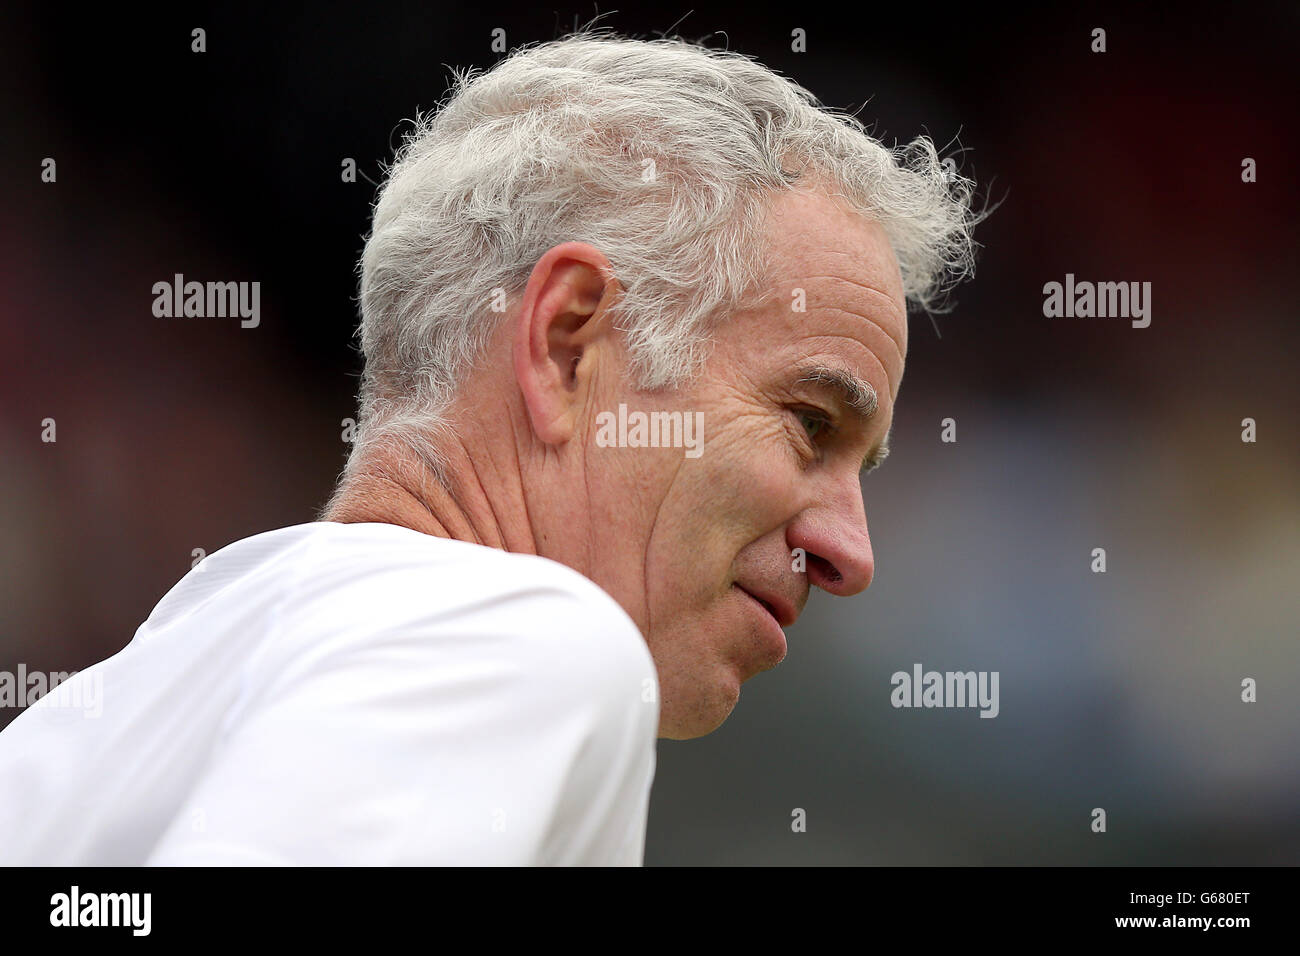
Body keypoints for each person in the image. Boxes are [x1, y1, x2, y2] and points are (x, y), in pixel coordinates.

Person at [0, 30, 981, 865]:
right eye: (810, 421)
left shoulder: (104, 711)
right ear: (564, 343)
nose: (852, 552)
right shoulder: (535, 639)